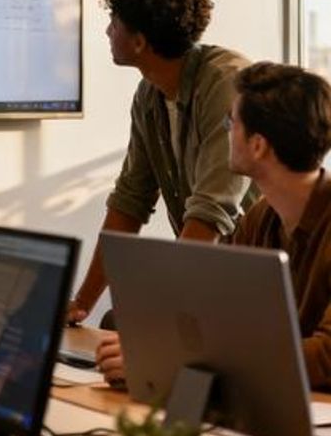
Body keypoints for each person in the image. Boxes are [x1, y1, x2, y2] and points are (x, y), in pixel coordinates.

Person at [97, 61, 331, 389]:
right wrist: (155, 349)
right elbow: (216, 316)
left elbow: (325, 358)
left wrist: (175, 359)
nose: (224, 130)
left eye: (230, 122)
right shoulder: (262, 219)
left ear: (258, 145)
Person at [69, 0, 254, 324]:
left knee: (136, 327)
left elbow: (211, 210)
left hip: (253, 281)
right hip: (209, 275)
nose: (107, 31)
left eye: (115, 23)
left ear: (139, 41)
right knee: (114, 322)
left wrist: (168, 317)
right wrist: (81, 304)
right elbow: (130, 201)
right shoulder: (149, 95)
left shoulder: (225, 82)